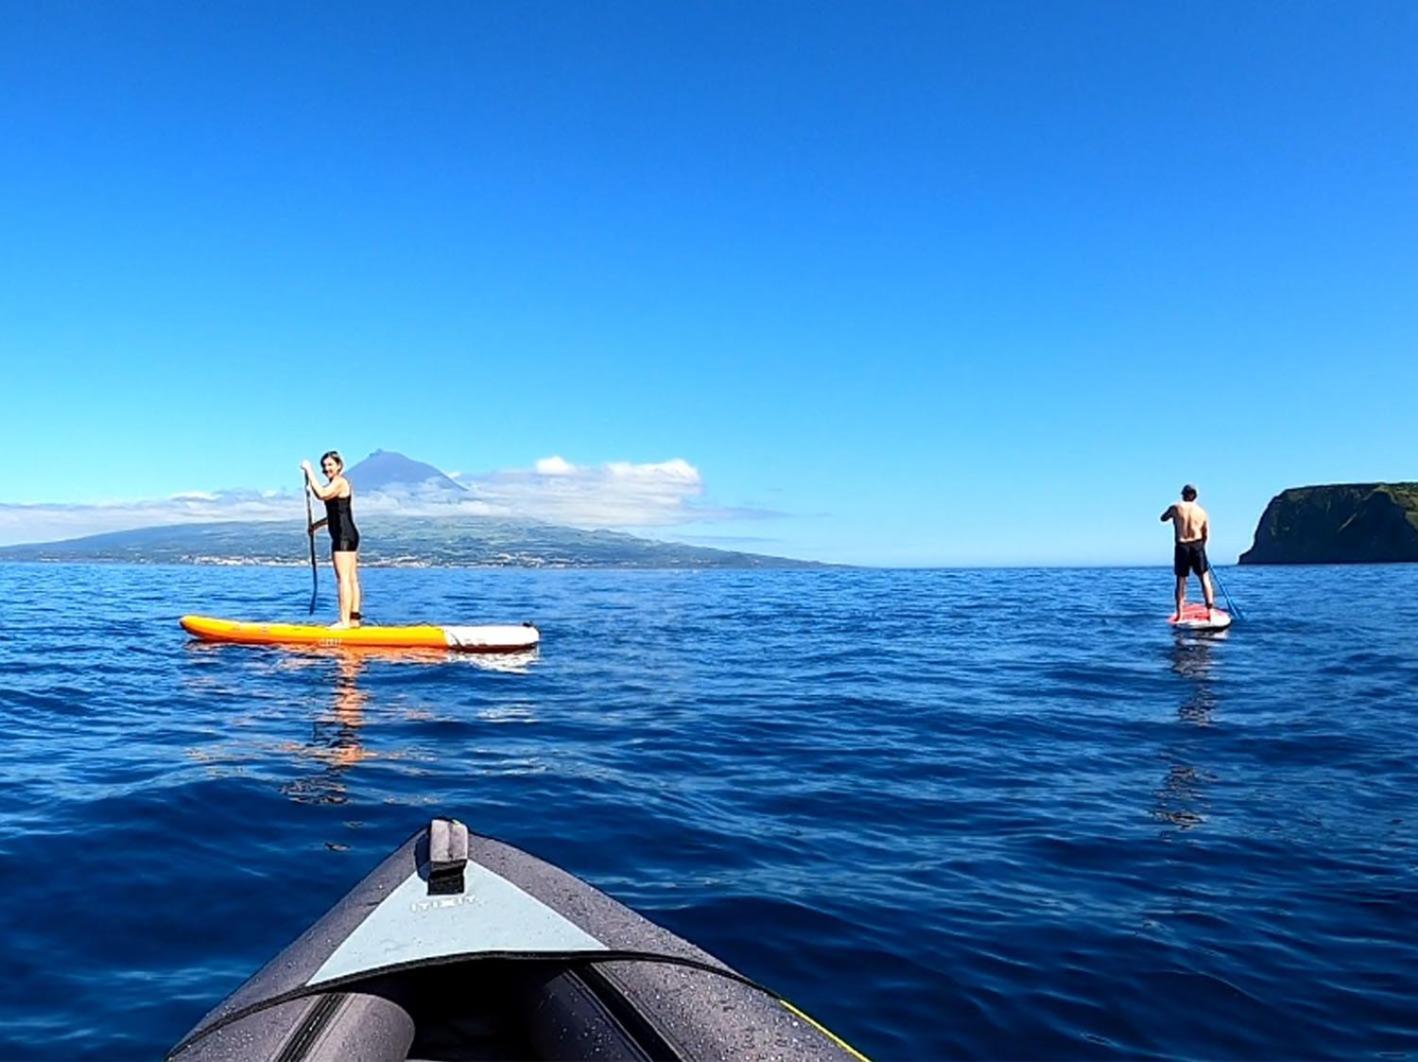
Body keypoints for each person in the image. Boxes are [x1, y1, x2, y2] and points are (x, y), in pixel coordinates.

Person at [302, 451, 363, 629]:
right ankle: (354, 619)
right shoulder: (335, 484)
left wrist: (308, 470)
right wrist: (316, 526)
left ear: (339, 466)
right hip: (349, 533)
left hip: (343, 536)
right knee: (351, 578)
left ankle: (344, 622)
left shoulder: (339, 482)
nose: (327, 468)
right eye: (324, 466)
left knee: (344, 578)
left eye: (330, 465)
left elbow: (321, 494)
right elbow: (336, 514)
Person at [1160, 484, 1215, 622]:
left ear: (1183, 495)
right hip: (1197, 545)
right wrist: (1201, 548)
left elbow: (1163, 518)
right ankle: (1211, 613)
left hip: (1182, 545)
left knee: (1181, 581)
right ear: (1195, 496)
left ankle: (1180, 615)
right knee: (1204, 579)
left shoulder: (1176, 507)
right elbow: (1206, 534)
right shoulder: (1202, 512)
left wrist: (1172, 516)